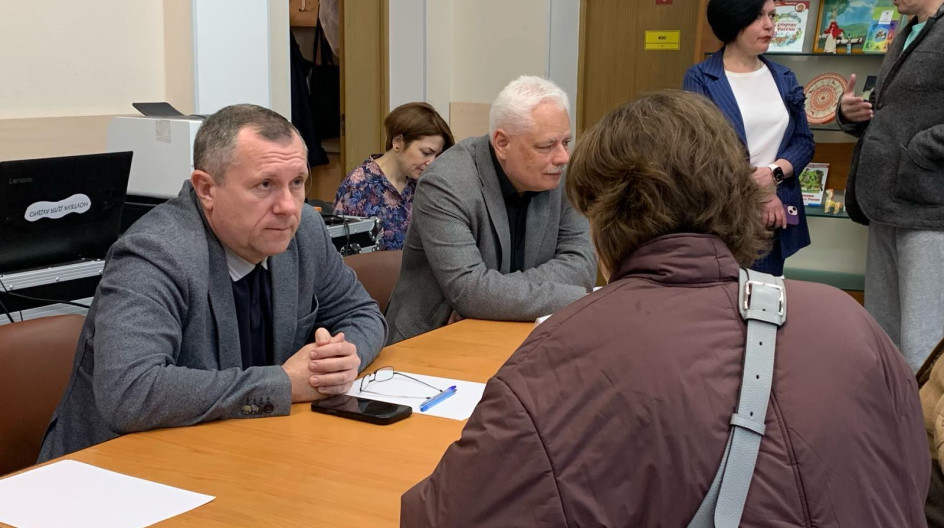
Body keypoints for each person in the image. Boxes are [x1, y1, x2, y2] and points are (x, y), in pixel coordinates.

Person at [400, 91, 929, 527]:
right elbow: (911, 480)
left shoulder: (562, 357)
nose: (559, 156)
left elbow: (444, 514)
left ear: (604, 213)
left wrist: (588, 303)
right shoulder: (851, 321)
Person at [39, 104, 387, 461]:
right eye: (265, 185)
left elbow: (362, 313)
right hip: (119, 468)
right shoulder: (155, 252)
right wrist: (283, 384)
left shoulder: (303, 231)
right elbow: (130, 393)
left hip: (245, 448)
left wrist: (343, 359)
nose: (288, 206)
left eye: (297, 182)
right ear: (206, 188)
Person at [384, 75, 596, 344]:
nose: (563, 157)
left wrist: (492, 298)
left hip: (520, 336)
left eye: (566, 142)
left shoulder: (558, 176)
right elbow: (469, 291)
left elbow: (582, 265)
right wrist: (578, 296)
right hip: (430, 341)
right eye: (546, 146)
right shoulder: (445, 183)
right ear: (502, 143)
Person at [837, 0, 944, 372]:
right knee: (883, 332)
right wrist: (850, 115)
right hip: (883, 202)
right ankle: (892, 406)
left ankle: (923, 411)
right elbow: (893, 113)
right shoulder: (908, 29)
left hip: (927, 206)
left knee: (922, 338)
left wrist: (920, 150)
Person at [683, 0, 814, 277]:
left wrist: (773, 174)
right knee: (721, 294)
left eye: (772, 15)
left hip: (774, 214)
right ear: (734, 19)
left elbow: (803, 141)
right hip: (723, 212)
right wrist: (757, 193)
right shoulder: (701, 77)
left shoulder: (784, 77)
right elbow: (699, 152)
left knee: (765, 296)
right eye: (758, 16)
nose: (769, 25)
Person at [333, 102, 454, 250]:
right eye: (426, 153)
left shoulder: (422, 183)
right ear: (398, 142)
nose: (431, 162)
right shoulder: (358, 186)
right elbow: (340, 252)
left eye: (436, 155)